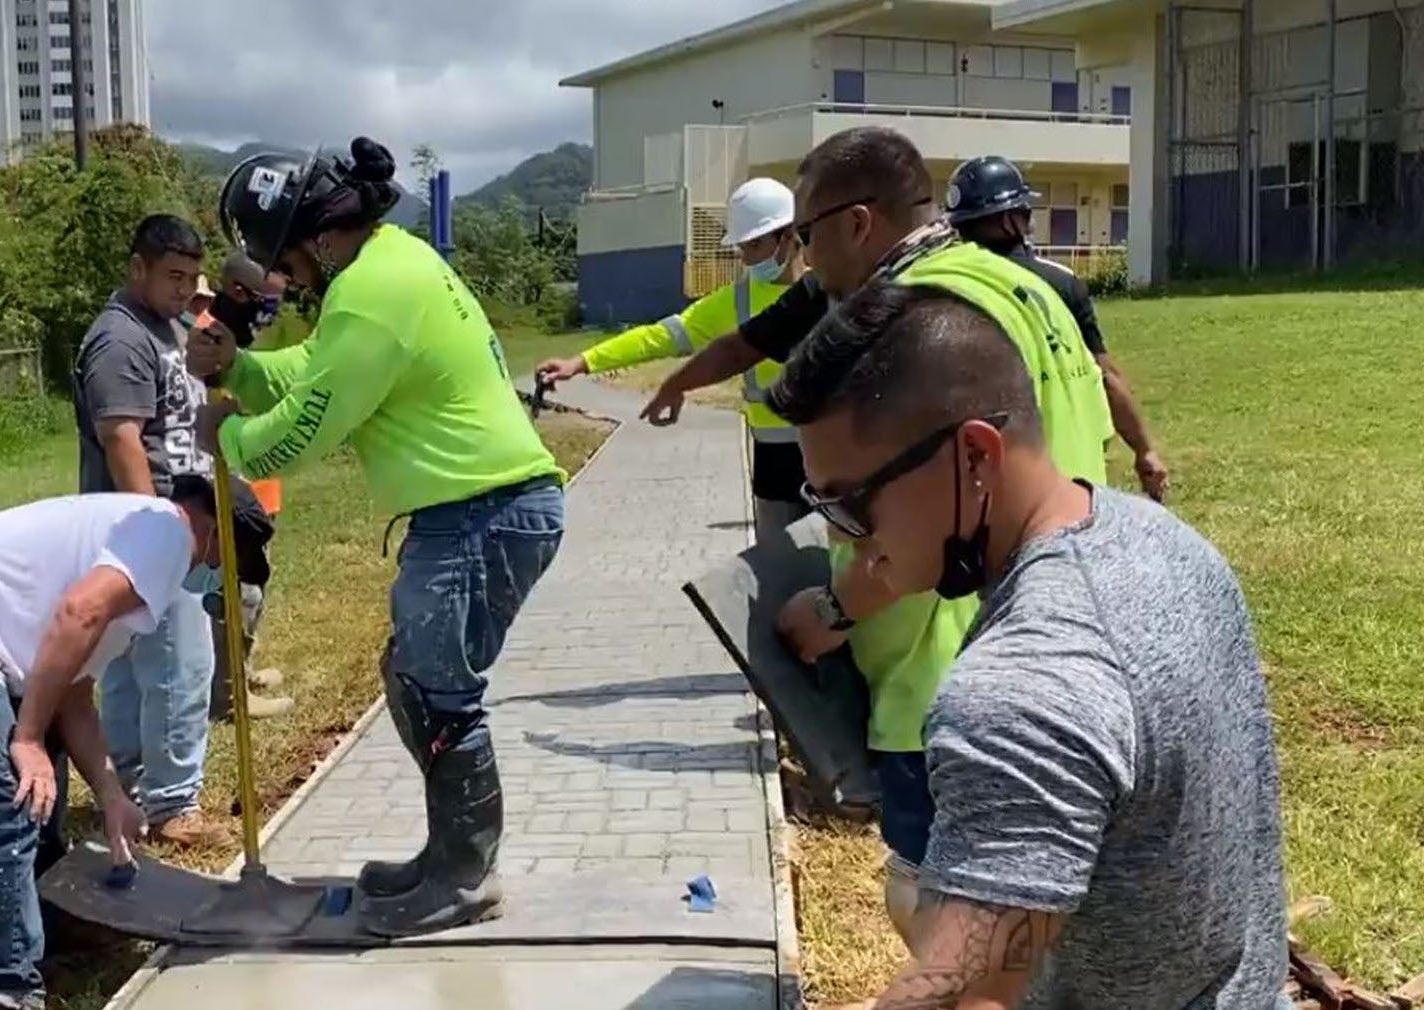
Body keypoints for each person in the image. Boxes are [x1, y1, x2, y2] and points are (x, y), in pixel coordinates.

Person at [639, 126, 1114, 944]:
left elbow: (911, 528)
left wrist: (831, 609)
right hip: (1071, 633)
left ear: (856, 222)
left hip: (945, 671)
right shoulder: (1021, 288)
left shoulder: (905, 325)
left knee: (941, 900)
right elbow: (1087, 442)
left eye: (807, 234)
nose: (801, 254)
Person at [771, 281, 1287, 1010]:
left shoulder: (1018, 692)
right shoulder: (1158, 539)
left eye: (849, 503)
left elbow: (961, 995)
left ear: (974, 457)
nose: (842, 536)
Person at [193, 136, 567, 938]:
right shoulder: (389, 265)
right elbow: (317, 373)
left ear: (315, 233)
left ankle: (465, 879)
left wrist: (225, 435)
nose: (283, 281)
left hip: (482, 513)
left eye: (283, 262)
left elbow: (307, 427)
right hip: (479, 512)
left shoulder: (371, 292)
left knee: (438, 694)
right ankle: (449, 860)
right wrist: (243, 369)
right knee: (413, 676)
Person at [0, 477, 274, 1010]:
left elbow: (73, 693)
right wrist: (25, 738)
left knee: (44, 778)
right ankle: (2, 989)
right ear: (215, 536)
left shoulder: (139, 547)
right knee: (12, 797)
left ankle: (49, 927)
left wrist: (113, 795)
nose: (214, 578)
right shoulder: (169, 533)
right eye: (228, 565)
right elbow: (78, 613)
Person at [71, 213, 237, 848]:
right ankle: (171, 805)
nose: (183, 288)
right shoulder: (119, 340)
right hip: (148, 526)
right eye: (172, 275)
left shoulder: (167, 327)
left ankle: (136, 786)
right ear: (136, 267)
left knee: (136, 666)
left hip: (177, 522)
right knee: (177, 664)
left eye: (192, 277)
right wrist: (156, 536)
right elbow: (122, 440)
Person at [534, 177, 811, 543]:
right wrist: (582, 362)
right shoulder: (735, 300)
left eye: (755, 245)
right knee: (781, 569)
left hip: (842, 453)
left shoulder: (832, 290)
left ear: (789, 236)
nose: (746, 258)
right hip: (774, 458)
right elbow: (661, 336)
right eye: (742, 247)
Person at [943, 155, 1171, 501]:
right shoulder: (1060, 284)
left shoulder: (946, 287)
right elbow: (1106, 377)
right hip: (1074, 482)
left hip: (986, 487)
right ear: (1011, 220)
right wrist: (1144, 450)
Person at [191, 252, 296, 723]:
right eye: (268, 301)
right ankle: (228, 697)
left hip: (261, 484)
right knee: (237, 594)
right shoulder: (209, 341)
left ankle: (242, 669)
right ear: (239, 292)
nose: (275, 310)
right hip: (232, 485)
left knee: (255, 586)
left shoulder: (249, 338)